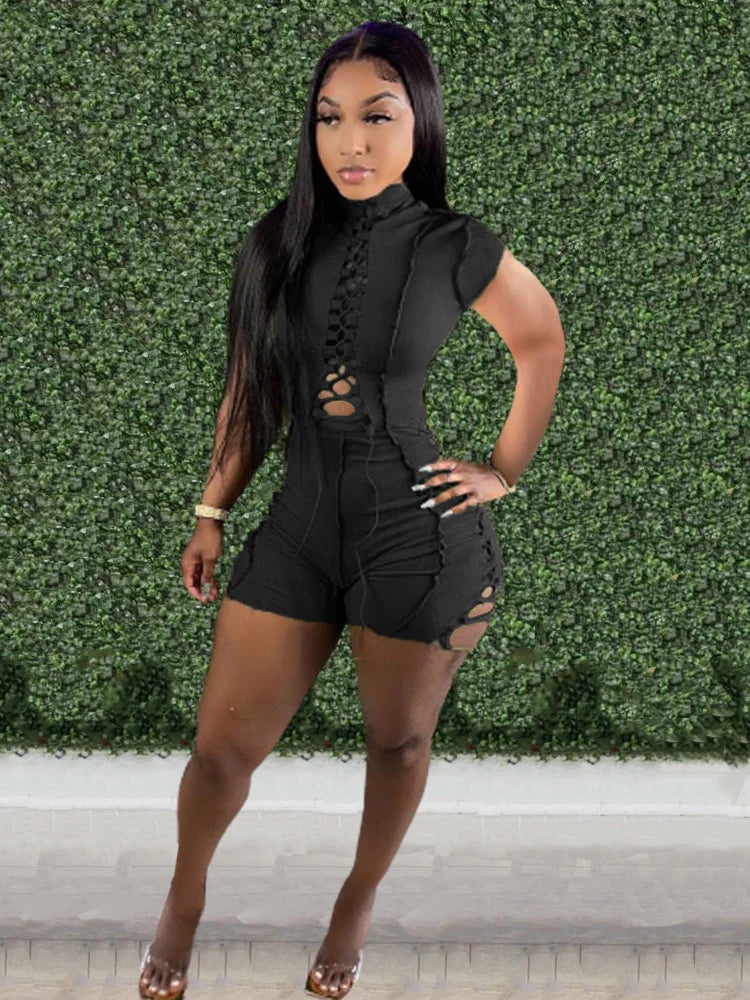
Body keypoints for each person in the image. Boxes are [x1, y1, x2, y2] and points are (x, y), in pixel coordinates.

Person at [138, 19, 565, 1000]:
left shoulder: (457, 245)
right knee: (219, 752)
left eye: (377, 116)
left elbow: (540, 340)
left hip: (420, 536)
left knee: (398, 743)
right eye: (329, 118)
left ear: (421, 121)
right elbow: (249, 395)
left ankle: (353, 910)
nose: (351, 141)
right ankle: (181, 907)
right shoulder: (274, 242)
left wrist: (503, 468)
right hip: (296, 532)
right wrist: (211, 510)